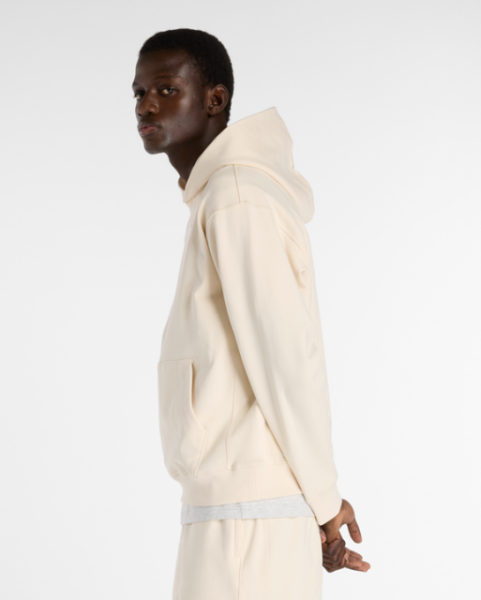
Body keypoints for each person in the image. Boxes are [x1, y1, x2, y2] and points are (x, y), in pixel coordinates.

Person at [133, 27, 370, 599]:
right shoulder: (220, 197)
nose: (146, 105)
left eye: (165, 89)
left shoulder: (236, 196)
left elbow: (284, 357)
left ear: (214, 99)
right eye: (138, 93)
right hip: (233, 511)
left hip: (247, 521)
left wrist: (322, 499)